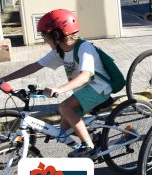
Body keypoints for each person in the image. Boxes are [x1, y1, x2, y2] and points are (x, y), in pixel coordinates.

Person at [0, 10, 114, 158]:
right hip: (84, 91)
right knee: (63, 129)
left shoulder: (84, 48)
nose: (44, 39)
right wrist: (4, 79)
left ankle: (89, 148)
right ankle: (93, 138)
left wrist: (59, 89)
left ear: (56, 35)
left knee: (65, 107)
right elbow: (34, 66)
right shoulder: (59, 51)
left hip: (99, 88)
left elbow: (85, 76)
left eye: (44, 36)